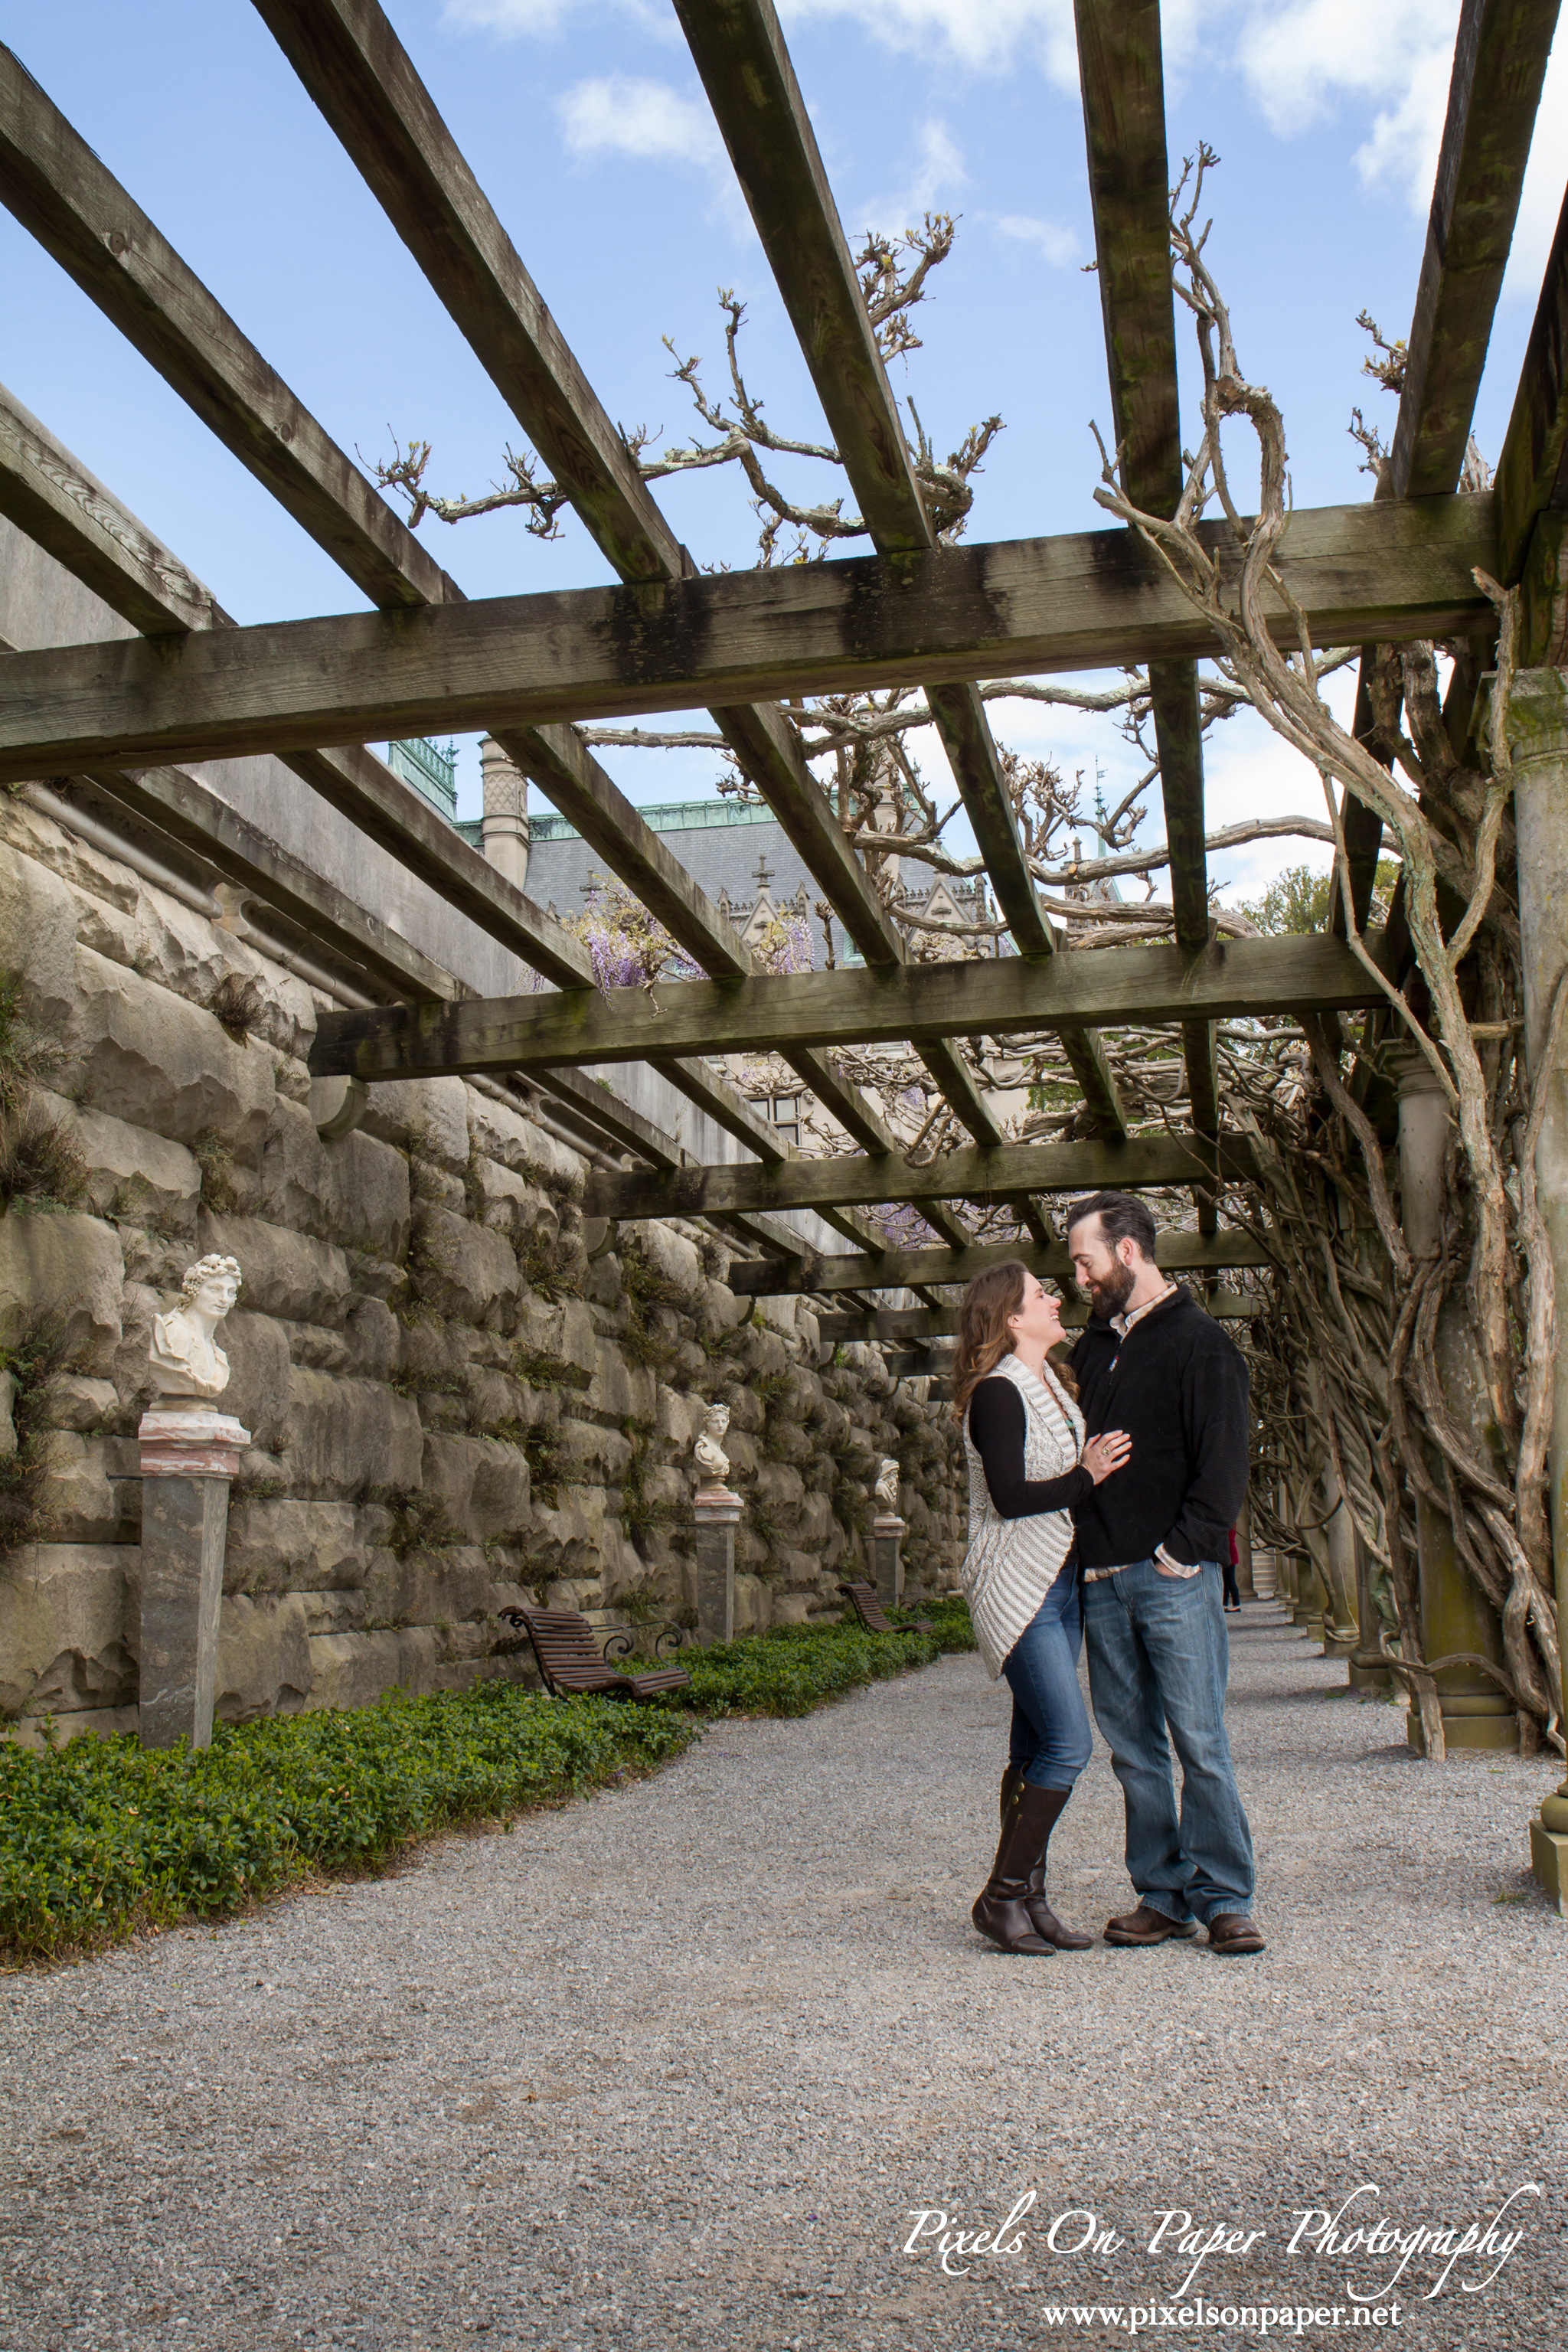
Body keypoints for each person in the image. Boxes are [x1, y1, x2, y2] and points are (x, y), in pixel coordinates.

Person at [1065, 1192, 1265, 1957]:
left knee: (1198, 1740)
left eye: (1084, 1259)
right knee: (1133, 1749)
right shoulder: (1093, 1349)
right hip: (1101, 1580)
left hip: (1170, 1577)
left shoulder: (1199, 1342)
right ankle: (1161, 1892)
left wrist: (1179, 1554)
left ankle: (1224, 1898)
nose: (1077, 1276)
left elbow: (1222, 1468)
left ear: (1127, 1251)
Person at [952, 1262, 1132, 1955]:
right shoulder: (999, 1392)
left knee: (1032, 1748)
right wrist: (1085, 1475)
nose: (1056, 1298)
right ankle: (1000, 1897)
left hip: (1059, 1584)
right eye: (1040, 1295)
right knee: (1069, 1744)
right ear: (1010, 1319)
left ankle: (1032, 1900)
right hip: (1017, 1585)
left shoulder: (1052, 1384)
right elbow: (1009, 1498)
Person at [1222, 1529, 1242, 1614]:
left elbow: (1228, 1539)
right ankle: (1225, 1604)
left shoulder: (1229, 1526)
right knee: (1226, 1581)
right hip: (1229, 1552)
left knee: (1230, 1580)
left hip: (1229, 1553)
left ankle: (1236, 1604)